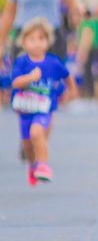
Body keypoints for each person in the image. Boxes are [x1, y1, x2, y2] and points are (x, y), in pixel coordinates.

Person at [11, 17, 77, 186]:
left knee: (37, 133)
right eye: (32, 39)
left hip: (44, 108)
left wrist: (71, 91)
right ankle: (33, 165)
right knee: (27, 145)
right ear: (24, 42)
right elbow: (15, 83)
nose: (37, 43)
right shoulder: (22, 62)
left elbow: (67, 76)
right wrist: (30, 78)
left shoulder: (53, 62)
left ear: (48, 42)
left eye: (41, 39)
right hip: (25, 110)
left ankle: (44, 165)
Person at [77, 9, 98, 101]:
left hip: (89, 49)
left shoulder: (85, 24)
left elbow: (86, 37)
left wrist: (82, 51)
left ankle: (91, 95)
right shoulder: (97, 23)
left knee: (88, 72)